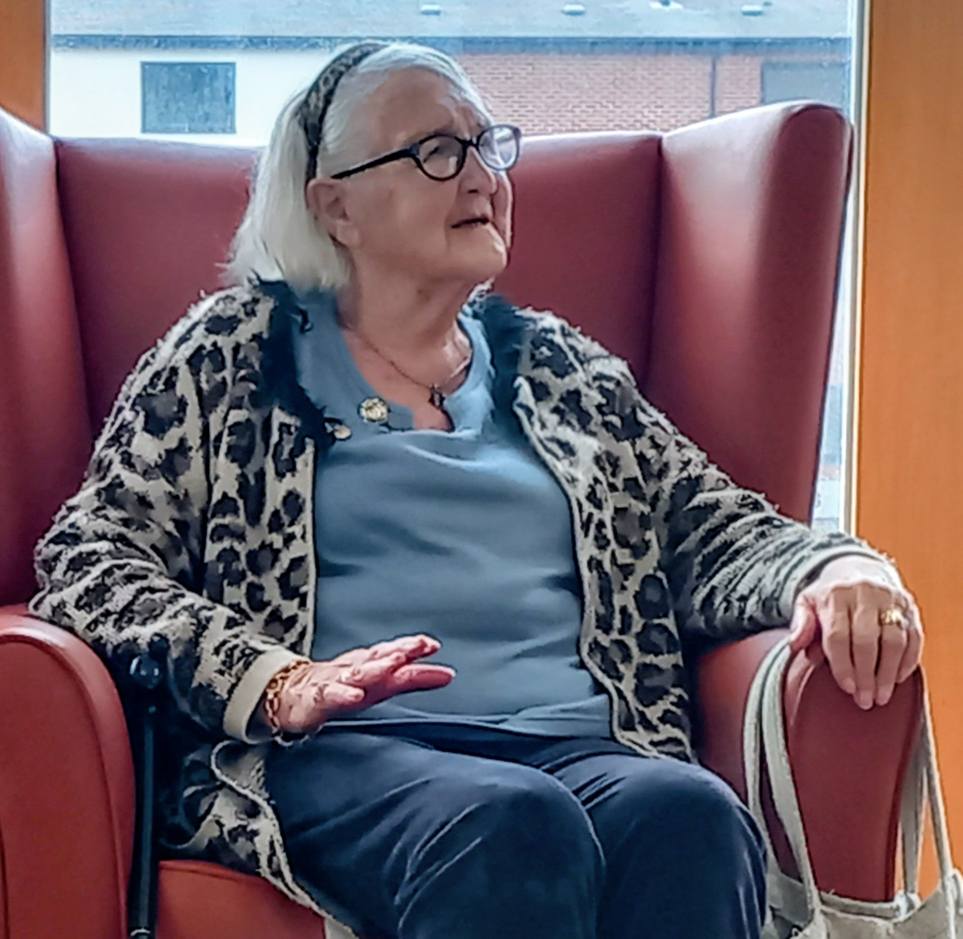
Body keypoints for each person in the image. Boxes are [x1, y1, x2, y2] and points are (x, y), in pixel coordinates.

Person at [29, 39, 924, 939]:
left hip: (576, 744)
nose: (481, 177)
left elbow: (713, 530)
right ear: (334, 206)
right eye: (434, 151)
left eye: (487, 143)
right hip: (343, 757)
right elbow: (85, 561)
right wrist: (272, 679)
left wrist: (842, 567)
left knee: (688, 816)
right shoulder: (232, 359)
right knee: (508, 827)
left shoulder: (562, 372)